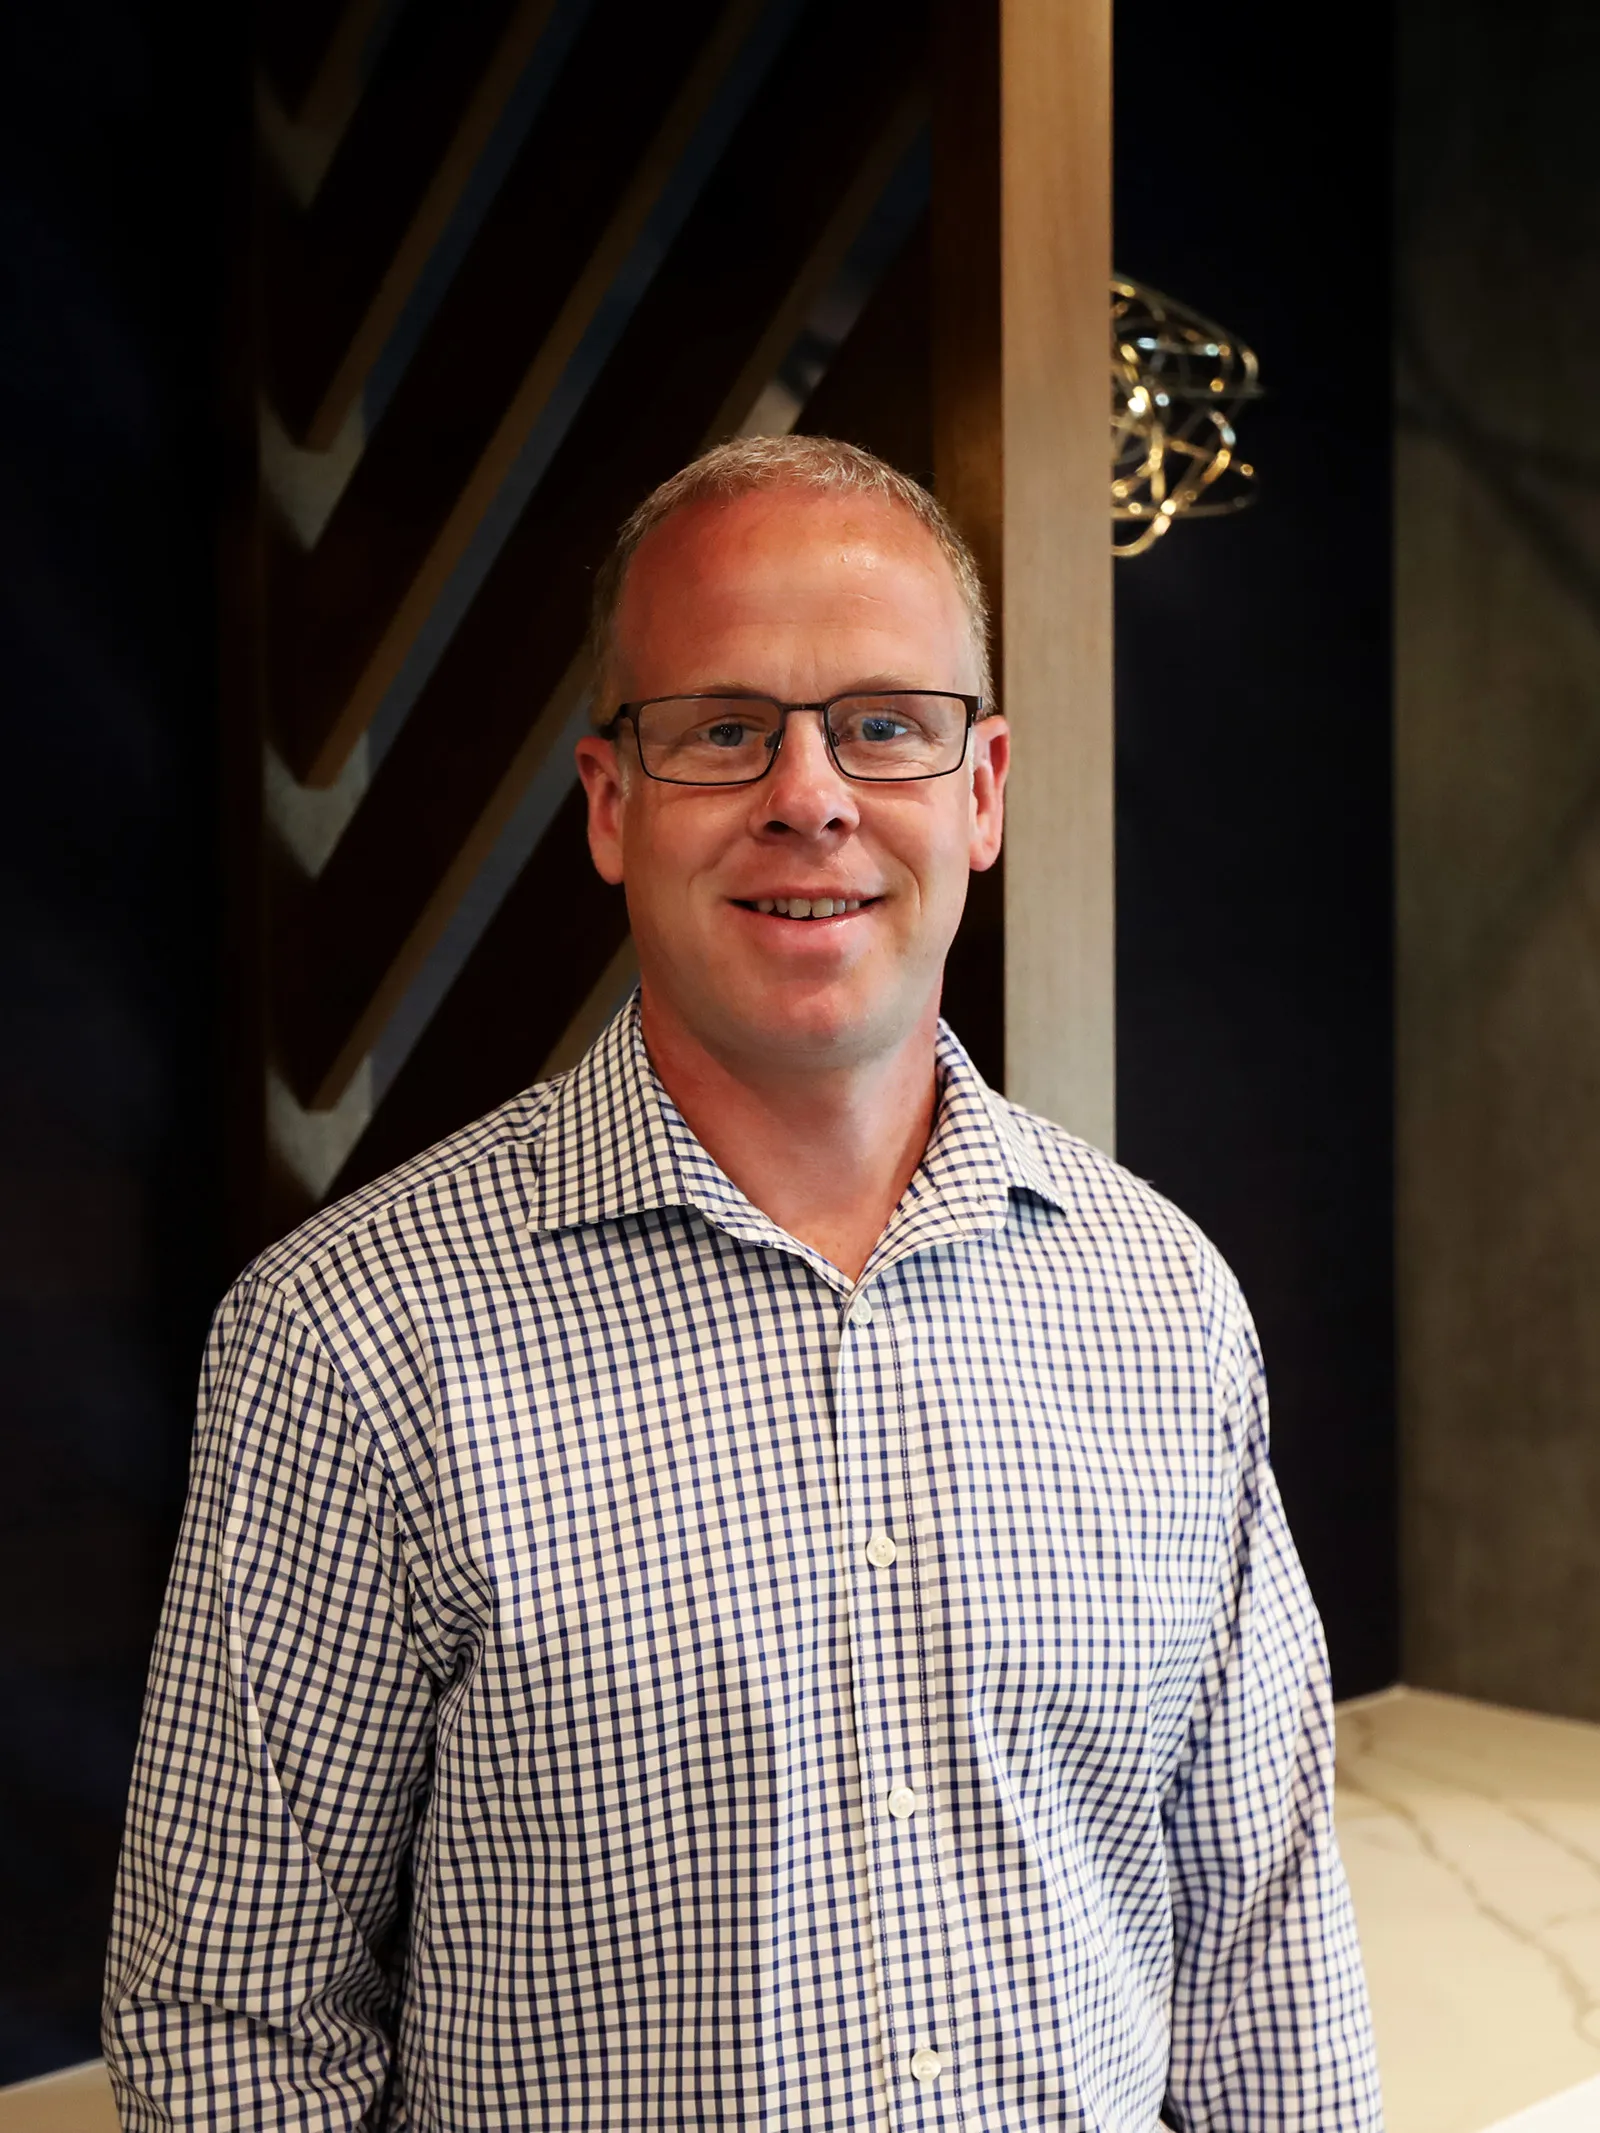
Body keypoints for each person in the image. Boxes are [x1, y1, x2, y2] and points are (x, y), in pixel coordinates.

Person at [104, 435, 1382, 2130]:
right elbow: (231, 2020)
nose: (811, 795)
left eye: (884, 725)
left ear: (983, 790)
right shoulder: (349, 1341)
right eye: (723, 729)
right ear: (611, 806)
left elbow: (1265, 1954)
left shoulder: (1163, 1304)